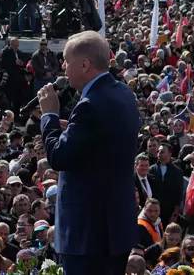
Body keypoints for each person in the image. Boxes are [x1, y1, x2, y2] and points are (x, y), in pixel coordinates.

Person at [37, 31, 141, 275]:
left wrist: (49, 115)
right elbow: (101, 142)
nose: (63, 66)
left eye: (65, 60)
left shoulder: (89, 104)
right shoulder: (123, 92)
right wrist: (72, 130)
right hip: (115, 228)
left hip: (87, 234)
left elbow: (59, 157)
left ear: (85, 64)